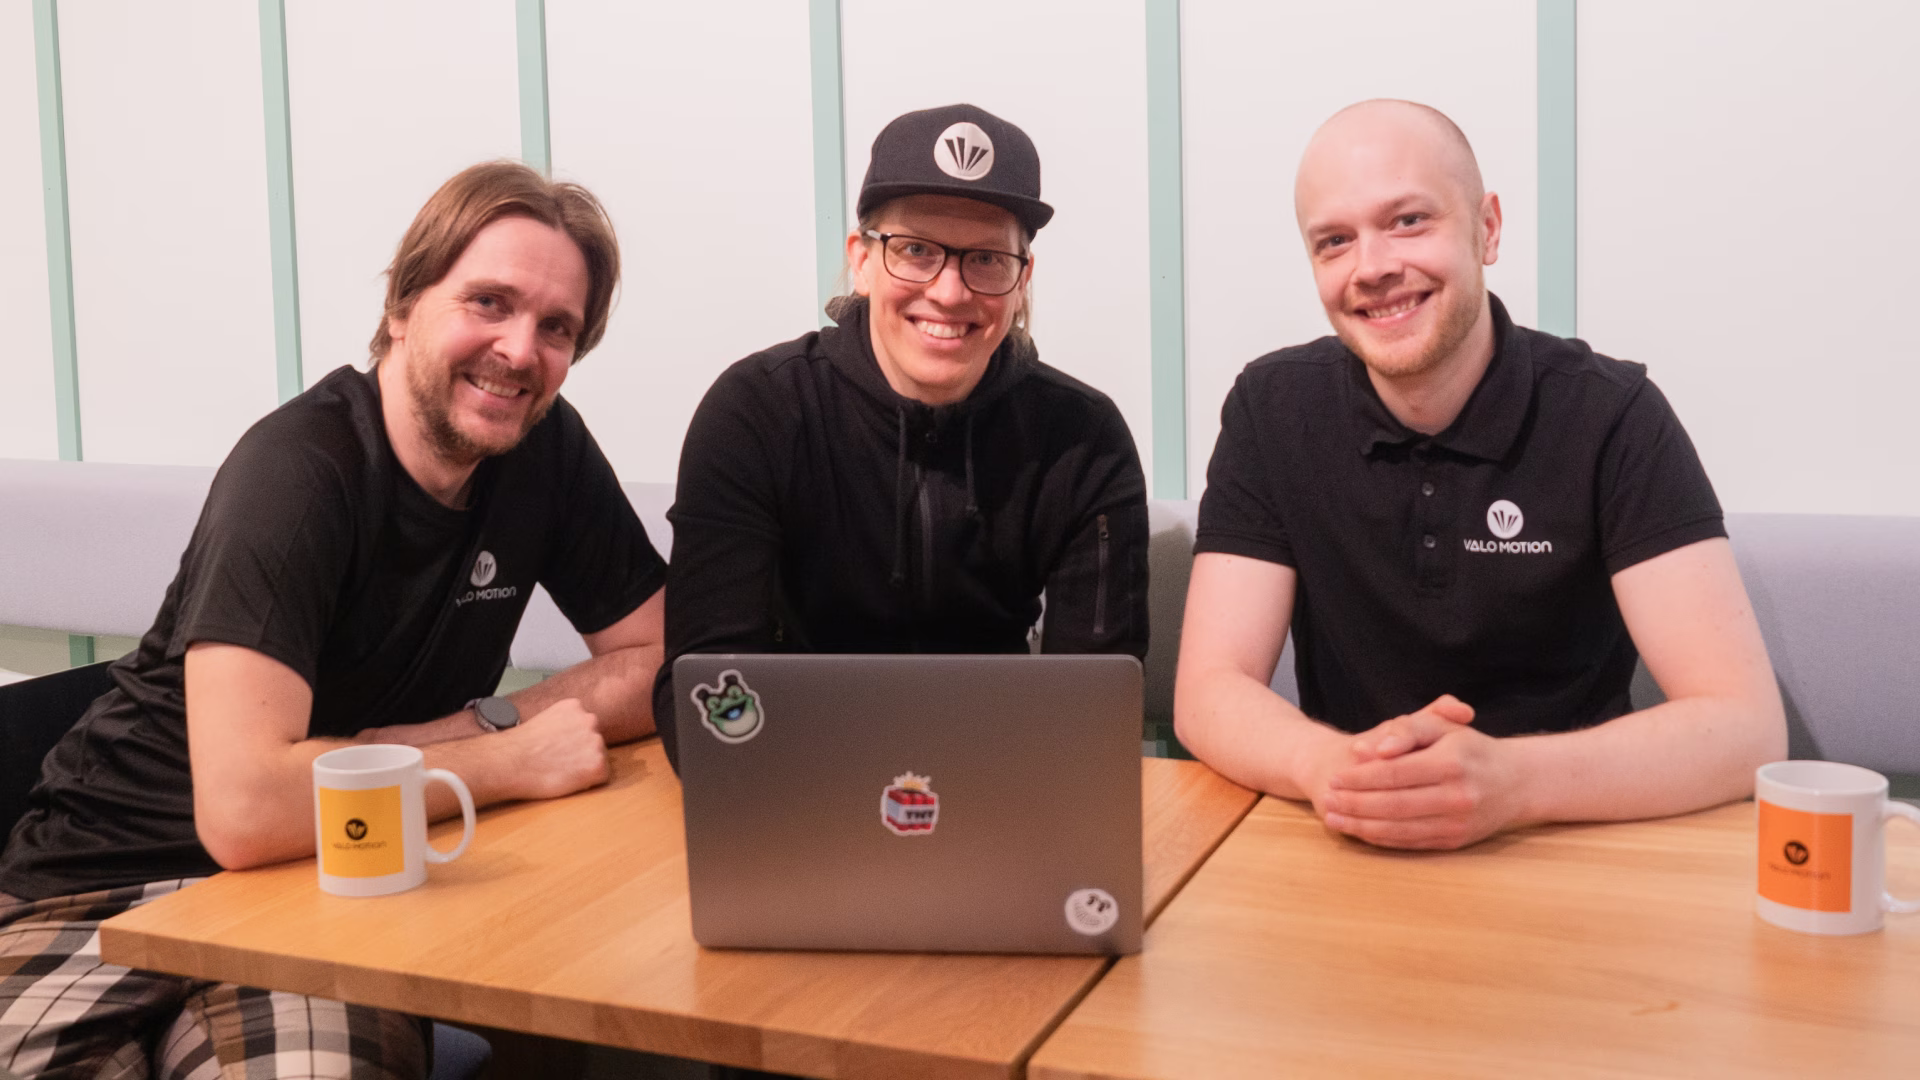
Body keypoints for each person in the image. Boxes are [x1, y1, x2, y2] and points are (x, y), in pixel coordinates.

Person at [0, 162, 666, 1079]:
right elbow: (243, 810)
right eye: (489, 302)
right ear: (402, 305)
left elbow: (663, 658)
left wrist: (476, 722)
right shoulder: (298, 473)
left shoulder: (544, 450)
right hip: (102, 891)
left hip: (332, 880)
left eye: (558, 327)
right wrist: (500, 762)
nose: (520, 350)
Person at [1174, 100, 1785, 850]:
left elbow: (1743, 726)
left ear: (1486, 228)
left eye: (1407, 221)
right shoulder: (1271, 409)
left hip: (1575, 843)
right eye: (1335, 241)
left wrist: (1510, 783)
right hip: (1351, 841)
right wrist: (1330, 767)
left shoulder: (1613, 414)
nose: (1373, 268)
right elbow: (1208, 690)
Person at [654, 103, 1148, 767]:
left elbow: (1094, 702)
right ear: (862, 260)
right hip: (794, 789)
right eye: (916, 251)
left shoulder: (1082, 440)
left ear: (1022, 279)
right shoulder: (756, 413)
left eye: (985, 259)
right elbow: (705, 685)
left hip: (999, 793)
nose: (948, 292)